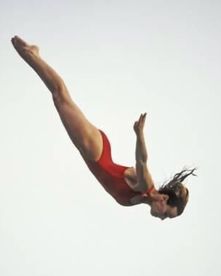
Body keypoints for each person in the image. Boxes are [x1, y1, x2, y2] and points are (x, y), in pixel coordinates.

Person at [11, 36, 196, 220]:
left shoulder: (137, 200)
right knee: (60, 97)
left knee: (60, 99)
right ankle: (32, 54)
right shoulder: (147, 187)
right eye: (167, 214)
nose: (163, 218)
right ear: (164, 199)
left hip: (91, 155)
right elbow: (142, 161)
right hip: (96, 152)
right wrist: (139, 135)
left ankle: (34, 55)